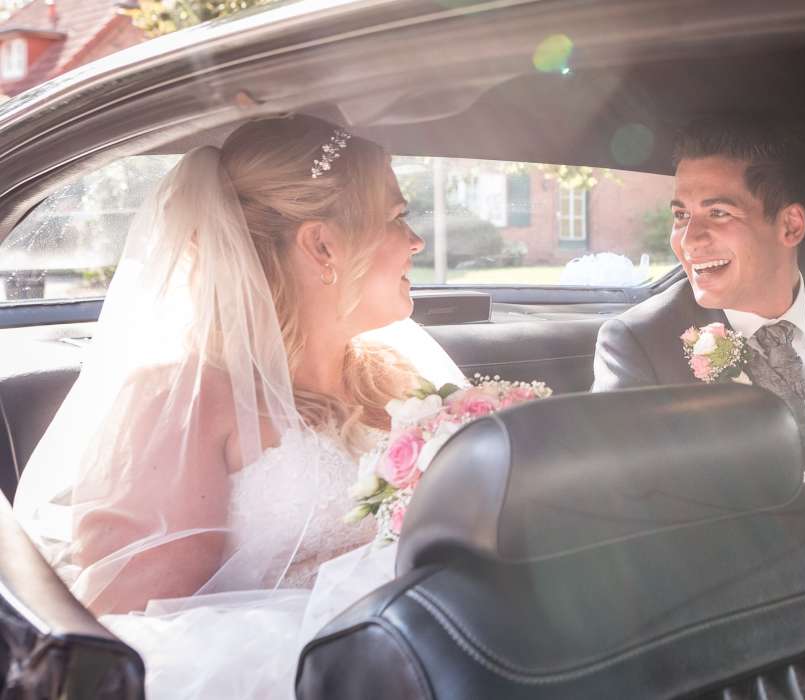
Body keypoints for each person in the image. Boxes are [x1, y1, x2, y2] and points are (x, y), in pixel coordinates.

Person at [13, 114, 466, 697]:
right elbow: (131, 624)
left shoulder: (397, 377)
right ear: (321, 245)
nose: (416, 241)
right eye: (396, 218)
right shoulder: (188, 398)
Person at [592, 118, 805, 480]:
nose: (689, 240)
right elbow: (630, 493)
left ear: (790, 226)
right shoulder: (640, 343)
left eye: (718, 213)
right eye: (681, 215)